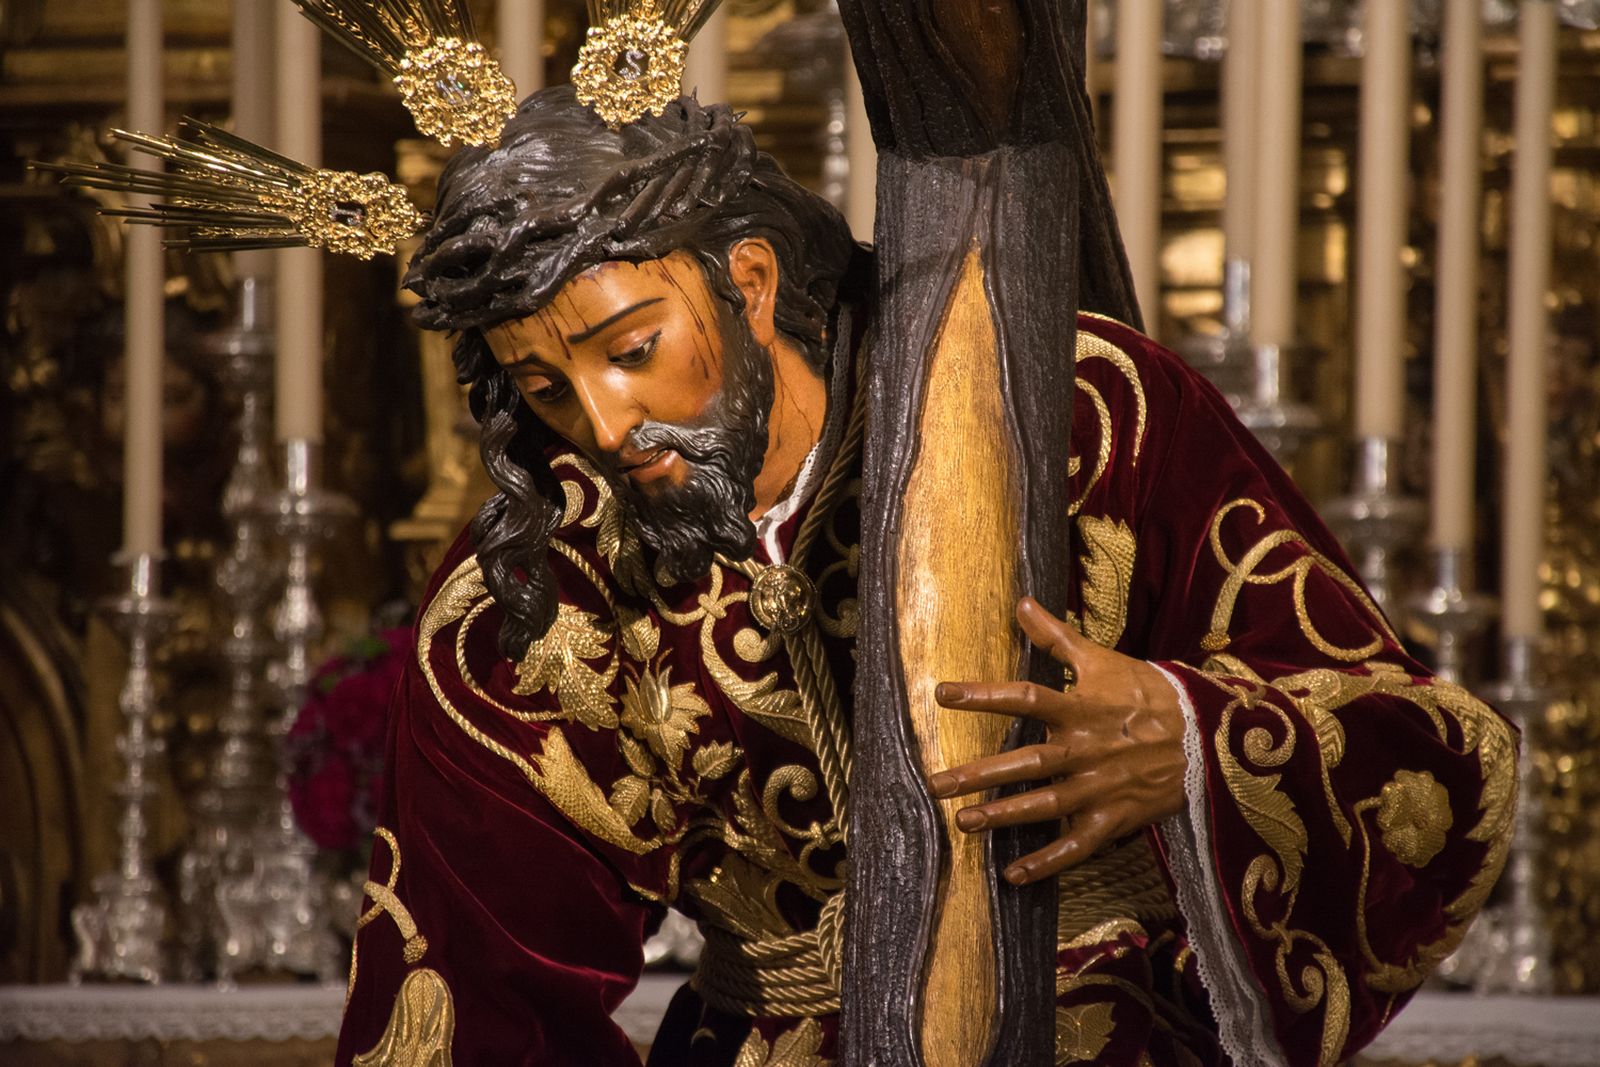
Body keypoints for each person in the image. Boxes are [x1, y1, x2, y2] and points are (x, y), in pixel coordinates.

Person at [334, 87, 1515, 1067]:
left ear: (746, 281)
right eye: (544, 389)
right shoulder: (537, 581)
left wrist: (1188, 734)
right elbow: (467, 979)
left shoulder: (1086, 416)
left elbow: (1423, 744)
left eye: (632, 350)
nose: (601, 421)